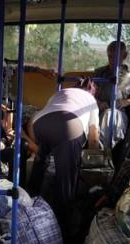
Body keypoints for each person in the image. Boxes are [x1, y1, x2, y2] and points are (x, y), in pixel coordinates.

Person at [27, 77, 100, 218]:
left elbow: (42, 114)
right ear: (93, 92)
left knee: (40, 162)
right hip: (69, 127)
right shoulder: (91, 100)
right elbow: (93, 138)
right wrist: (92, 160)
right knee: (66, 178)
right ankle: (62, 223)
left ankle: (29, 205)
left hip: (40, 124)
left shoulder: (60, 92)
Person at [91, 41, 130, 119]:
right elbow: (88, 95)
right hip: (99, 113)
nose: (112, 61)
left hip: (121, 114)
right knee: (107, 114)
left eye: (116, 57)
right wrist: (99, 103)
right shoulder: (99, 73)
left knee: (112, 116)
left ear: (124, 56)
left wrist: (126, 102)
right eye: (110, 57)